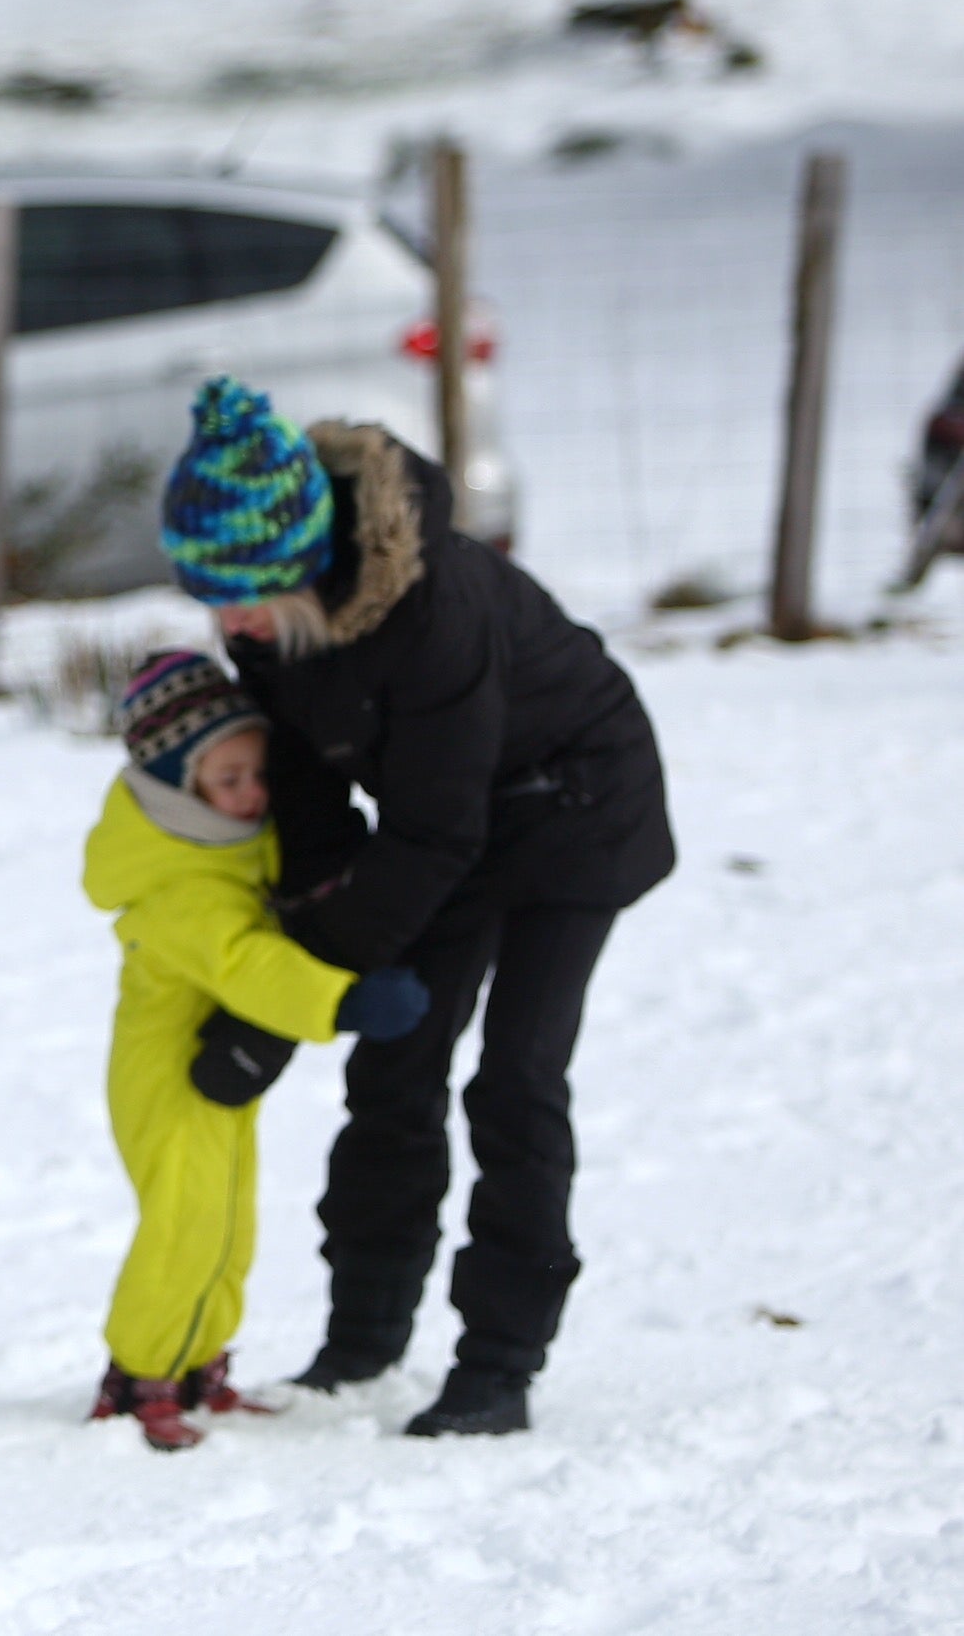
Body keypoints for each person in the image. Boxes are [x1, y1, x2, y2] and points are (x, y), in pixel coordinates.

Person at [162, 377, 674, 1437]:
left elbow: (436, 832)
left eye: (244, 593)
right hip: (445, 823)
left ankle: (498, 1364)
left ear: (303, 557)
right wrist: (311, 940)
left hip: (575, 805)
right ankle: (362, 1339)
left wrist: (297, 997)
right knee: (393, 1063)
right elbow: (307, 789)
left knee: (515, 1075)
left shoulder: (433, 611)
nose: (228, 620)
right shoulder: (265, 618)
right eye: (209, 593)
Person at [81, 650, 427, 1451]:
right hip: (166, 1079)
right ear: (178, 783)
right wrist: (343, 1001)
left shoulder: (222, 846)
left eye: (257, 774)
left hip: (207, 1078)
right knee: (183, 1225)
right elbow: (246, 964)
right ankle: (139, 1377)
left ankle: (199, 1365)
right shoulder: (180, 884)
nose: (252, 793)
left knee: (228, 1223)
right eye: (228, 779)